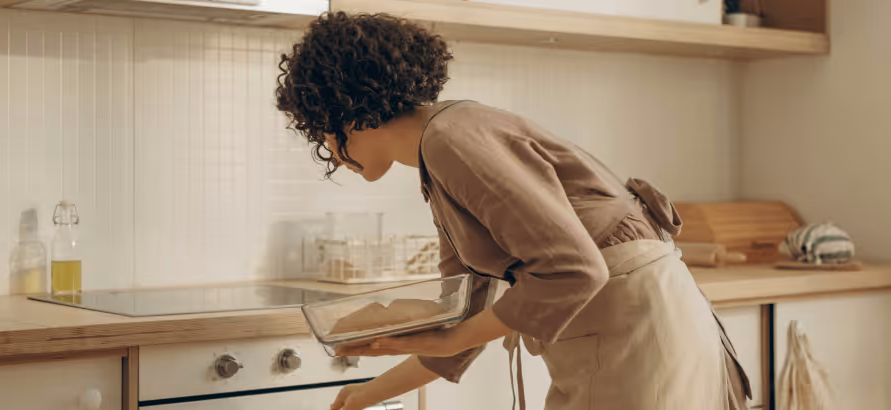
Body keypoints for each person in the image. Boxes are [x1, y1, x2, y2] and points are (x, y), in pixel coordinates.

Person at [276, 12, 751, 410]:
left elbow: (572, 271)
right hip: (619, 335)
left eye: (320, 129)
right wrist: (364, 394)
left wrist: (449, 339)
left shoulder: (451, 140)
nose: (327, 148)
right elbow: (463, 311)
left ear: (347, 112)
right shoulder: (440, 158)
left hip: (638, 334)